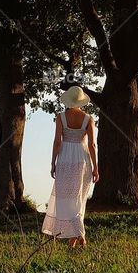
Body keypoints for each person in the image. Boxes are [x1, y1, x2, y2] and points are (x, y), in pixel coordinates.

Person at [41, 85, 99, 248]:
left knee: (66, 199)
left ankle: (76, 236)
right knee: (79, 199)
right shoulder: (88, 119)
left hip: (65, 157)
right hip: (82, 158)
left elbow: (57, 142)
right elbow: (92, 145)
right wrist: (96, 167)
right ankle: (77, 235)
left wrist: (53, 162)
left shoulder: (61, 117)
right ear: (81, 101)